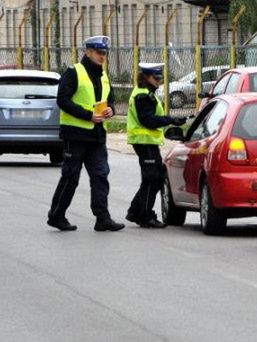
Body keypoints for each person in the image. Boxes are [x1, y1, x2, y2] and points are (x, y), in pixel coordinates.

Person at [47, 35, 125, 232]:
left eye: (104, 53)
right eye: (99, 53)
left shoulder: (103, 75)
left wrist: (111, 110)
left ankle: (102, 218)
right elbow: (62, 100)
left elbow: (110, 100)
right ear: (88, 52)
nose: (102, 57)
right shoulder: (74, 73)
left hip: (97, 135)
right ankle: (56, 215)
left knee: (100, 175)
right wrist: (87, 115)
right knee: (71, 176)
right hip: (75, 135)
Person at [125, 63, 187, 228]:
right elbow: (148, 120)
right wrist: (170, 119)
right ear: (146, 77)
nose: (159, 81)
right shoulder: (143, 96)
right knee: (153, 179)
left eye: (160, 78)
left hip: (147, 142)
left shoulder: (146, 93)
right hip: (143, 141)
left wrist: (171, 119)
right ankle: (145, 215)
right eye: (156, 78)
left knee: (154, 178)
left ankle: (135, 211)